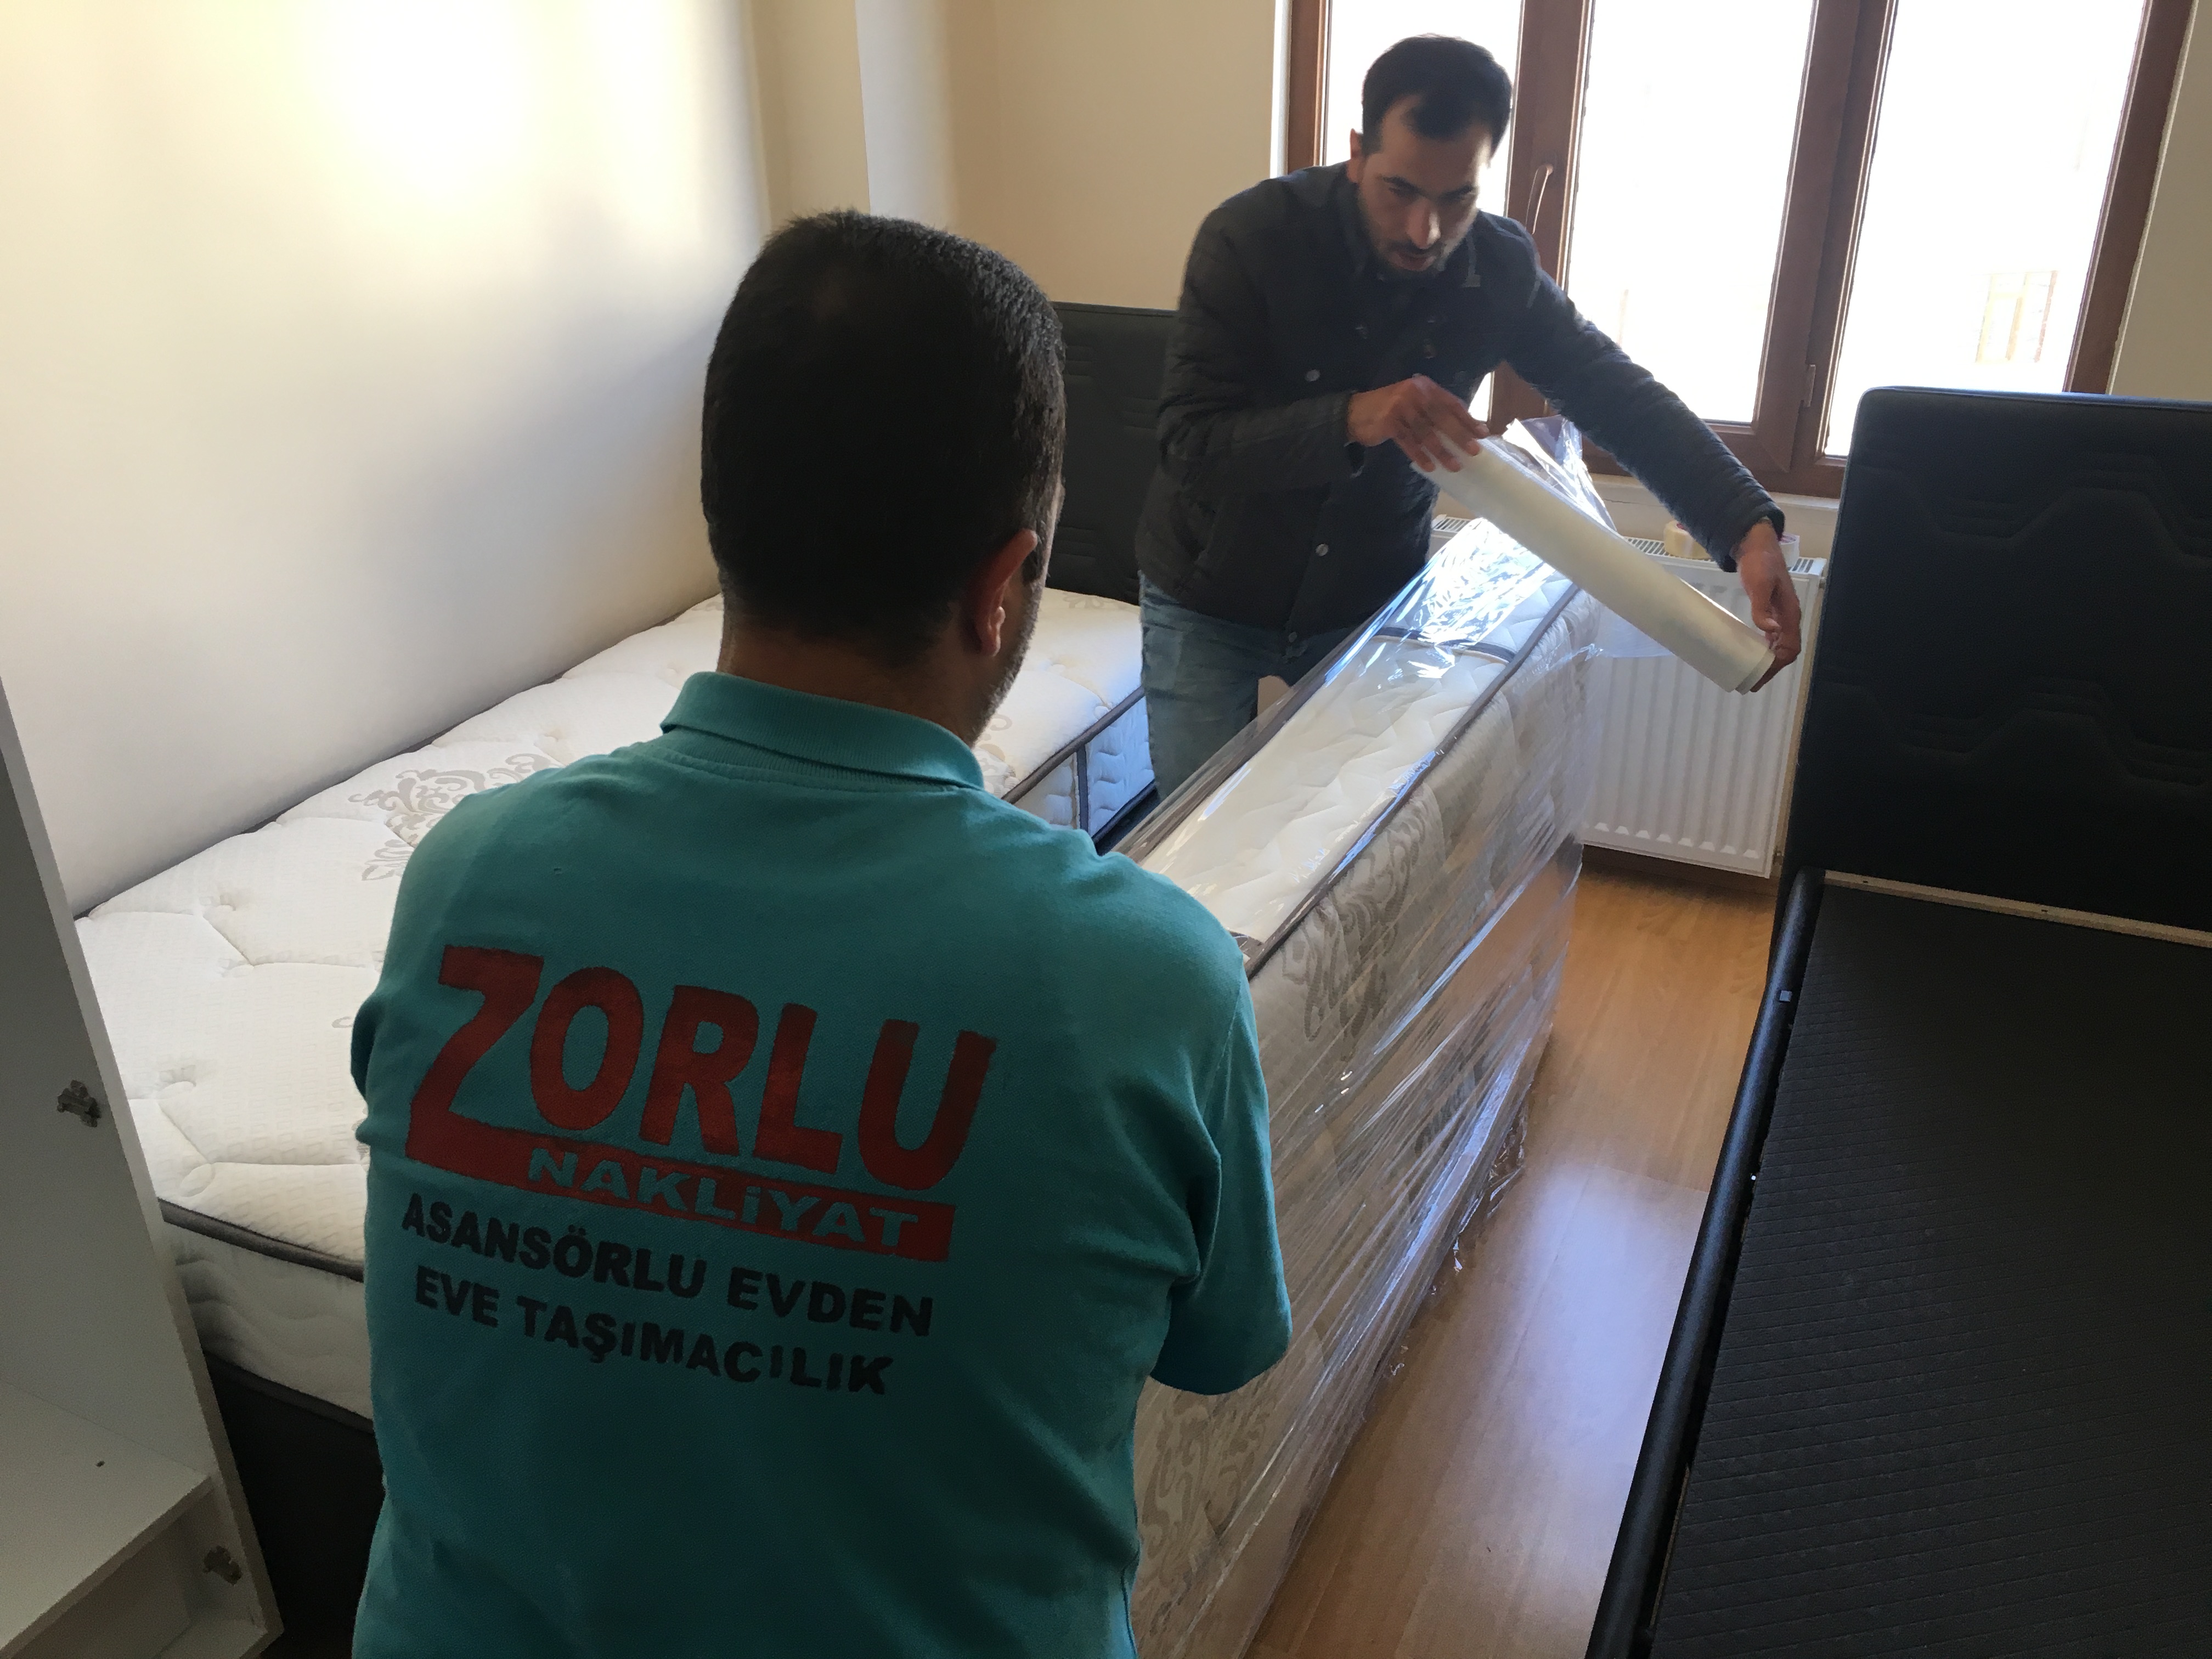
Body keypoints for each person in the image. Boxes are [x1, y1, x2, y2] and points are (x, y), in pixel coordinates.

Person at [349, 212, 1290, 1658]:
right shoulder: (1149, 980)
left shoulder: (465, 877)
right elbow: (1219, 1351)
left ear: (724, 524)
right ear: (1002, 585)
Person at [1137, 34, 1804, 796]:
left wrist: (1746, 529)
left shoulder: (1499, 268)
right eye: (1399, 191)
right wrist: (1353, 417)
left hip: (1366, 599)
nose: (1423, 231)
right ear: (1356, 153)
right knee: (1191, 836)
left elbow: (1614, 392)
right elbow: (1189, 444)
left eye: (1457, 198)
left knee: (1355, 838)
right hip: (1210, 596)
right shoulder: (1250, 239)